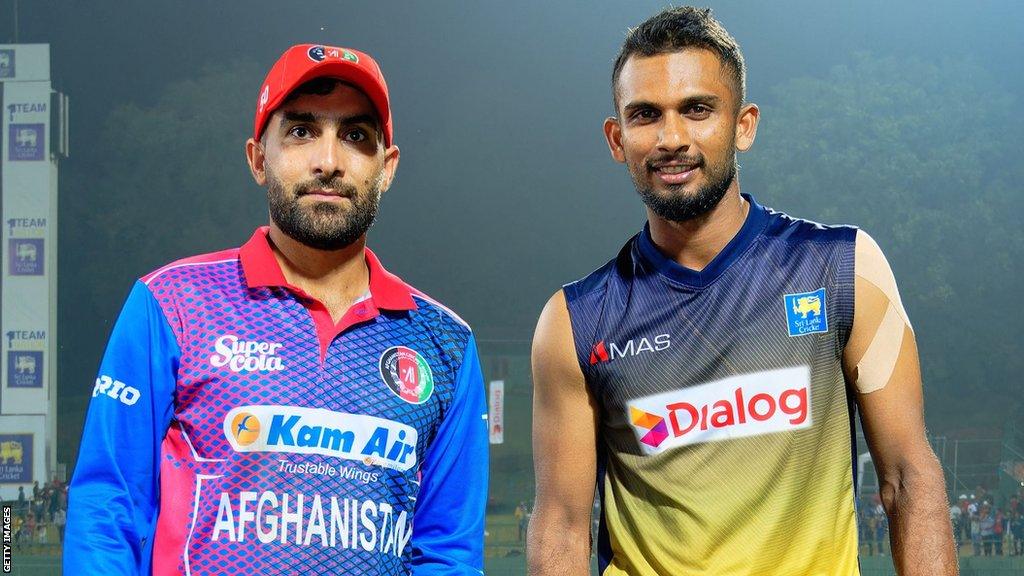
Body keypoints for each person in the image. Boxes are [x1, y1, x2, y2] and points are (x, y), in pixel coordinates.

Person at [528, 7, 956, 575]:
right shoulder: (575, 321)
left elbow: (909, 477)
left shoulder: (843, 269)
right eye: (646, 115)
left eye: (697, 110)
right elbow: (560, 523)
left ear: (744, 124)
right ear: (617, 138)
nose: (672, 138)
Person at [64, 43, 488, 575]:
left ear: (387, 167)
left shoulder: (444, 343)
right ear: (258, 159)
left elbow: (448, 551)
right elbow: (109, 511)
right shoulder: (170, 304)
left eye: (356, 136)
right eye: (301, 131)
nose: (328, 161)